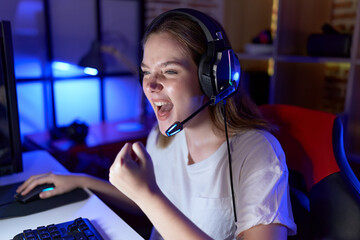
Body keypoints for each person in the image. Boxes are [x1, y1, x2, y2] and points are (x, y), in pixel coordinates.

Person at [17, 8, 297, 240]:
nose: (149, 85)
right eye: (146, 72)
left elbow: (152, 200)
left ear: (215, 77)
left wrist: (147, 195)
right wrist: (80, 180)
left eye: (170, 71)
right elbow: (152, 203)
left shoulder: (257, 153)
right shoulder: (164, 136)